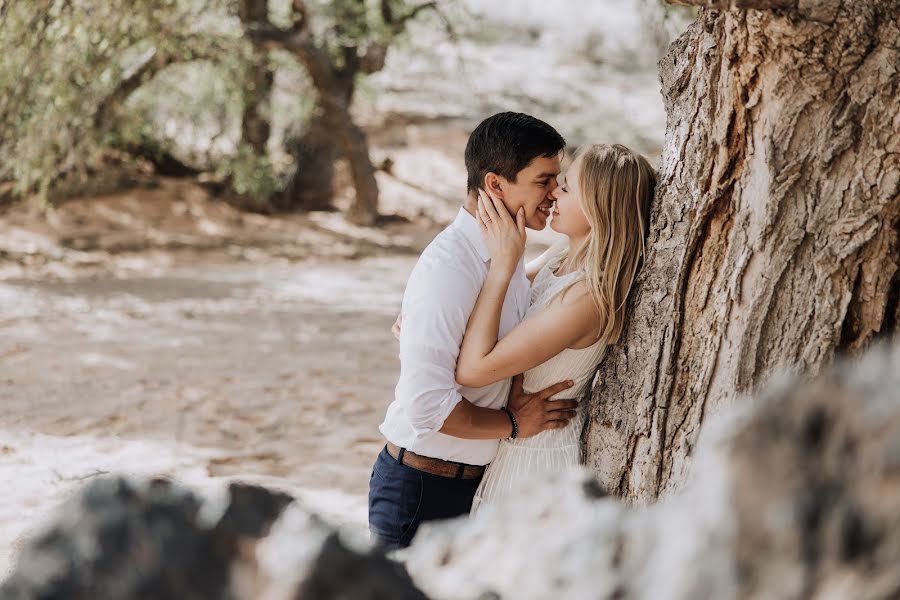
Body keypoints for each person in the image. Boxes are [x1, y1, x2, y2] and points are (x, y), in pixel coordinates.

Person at [368, 112, 577, 550]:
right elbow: (425, 406)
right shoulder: (451, 267)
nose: (555, 193)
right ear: (496, 185)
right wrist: (514, 424)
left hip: (471, 486)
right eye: (544, 180)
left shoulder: (507, 252)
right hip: (421, 490)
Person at [457, 143, 656, 513]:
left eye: (566, 187)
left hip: (536, 462)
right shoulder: (561, 256)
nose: (553, 194)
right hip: (516, 443)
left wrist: (505, 264)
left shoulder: (586, 298)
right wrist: (431, 314)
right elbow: (482, 302)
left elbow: (473, 369)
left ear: (598, 205)